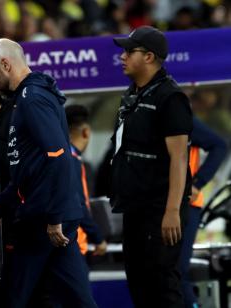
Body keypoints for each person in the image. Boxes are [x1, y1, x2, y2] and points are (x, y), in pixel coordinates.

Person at [0, 38, 97, 308]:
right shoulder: (27, 98)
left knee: (13, 297)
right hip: (50, 217)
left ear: (5, 64)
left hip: (43, 220)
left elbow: (58, 158)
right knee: (74, 298)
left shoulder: (32, 99)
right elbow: (29, 171)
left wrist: (53, 217)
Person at [111, 26, 193, 307]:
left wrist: (172, 211)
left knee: (162, 284)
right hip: (135, 207)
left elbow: (179, 158)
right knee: (139, 283)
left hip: (159, 208)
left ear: (148, 57)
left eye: (128, 51)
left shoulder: (170, 98)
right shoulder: (133, 94)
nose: (122, 57)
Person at [180, 117, 227, 308]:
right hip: (162, 207)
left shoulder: (182, 119)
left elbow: (219, 146)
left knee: (176, 270)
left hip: (186, 206)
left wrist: (197, 183)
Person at [65, 105, 107, 257]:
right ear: (86, 132)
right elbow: (79, 203)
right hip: (73, 241)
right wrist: (97, 237)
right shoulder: (72, 159)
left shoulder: (61, 156)